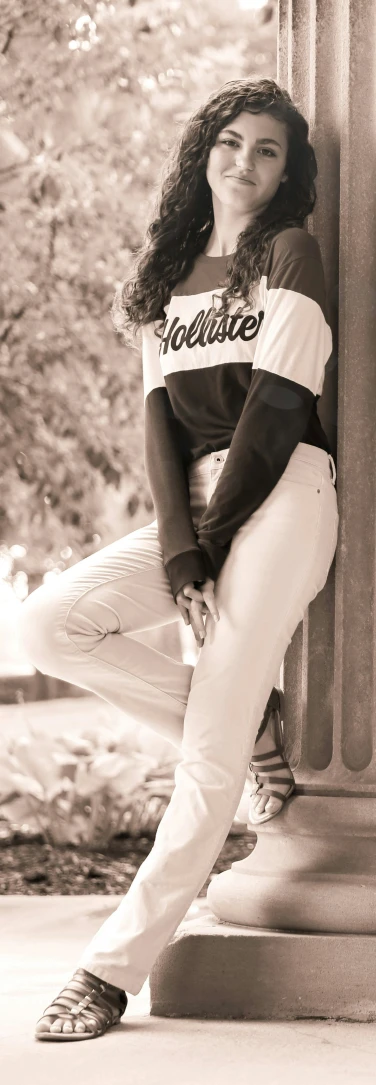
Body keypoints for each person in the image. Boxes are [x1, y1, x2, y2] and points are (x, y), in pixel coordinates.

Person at [18, 76, 339, 1041]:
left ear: (287, 172)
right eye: (231, 142)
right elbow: (159, 428)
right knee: (49, 622)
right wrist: (178, 550)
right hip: (199, 502)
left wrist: (212, 541)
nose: (244, 160)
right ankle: (252, 726)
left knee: (206, 752)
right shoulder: (163, 274)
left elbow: (280, 405)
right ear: (205, 151)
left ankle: (110, 971)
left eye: (268, 149)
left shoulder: (289, 253)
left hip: (282, 492)